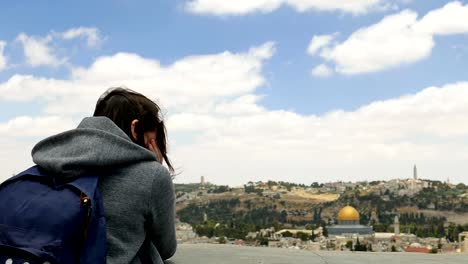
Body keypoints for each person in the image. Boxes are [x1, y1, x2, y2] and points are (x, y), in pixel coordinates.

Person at [31, 88, 177, 263]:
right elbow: (166, 248)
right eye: (154, 137)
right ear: (135, 128)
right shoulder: (152, 175)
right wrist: (154, 168)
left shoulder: (50, 163)